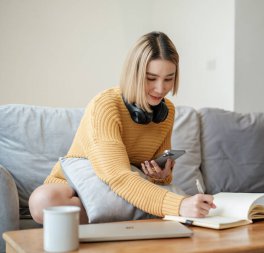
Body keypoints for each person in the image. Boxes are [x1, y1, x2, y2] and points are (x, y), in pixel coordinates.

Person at [29, 31, 216, 224]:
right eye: (151, 78)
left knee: (136, 195)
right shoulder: (106, 105)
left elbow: (158, 179)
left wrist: (161, 176)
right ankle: (135, 217)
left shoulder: (166, 111)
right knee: (44, 201)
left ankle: (121, 218)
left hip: (128, 190)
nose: (160, 89)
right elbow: (118, 176)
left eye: (168, 79)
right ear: (133, 74)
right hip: (81, 186)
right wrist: (179, 205)